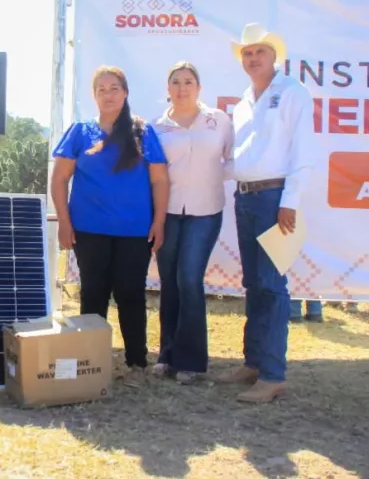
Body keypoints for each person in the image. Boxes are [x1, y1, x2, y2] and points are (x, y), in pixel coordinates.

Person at [51, 65, 170, 387]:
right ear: (94, 95)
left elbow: (159, 180)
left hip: (135, 230)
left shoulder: (142, 133)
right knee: (93, 294)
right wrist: (63, 221)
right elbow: (60, 178)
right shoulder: (79, 131)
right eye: (101, 89)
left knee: (130, 294)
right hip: (89, 230)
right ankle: (92, 361)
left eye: (114, 88)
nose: (108, 94)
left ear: (126, 92)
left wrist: (159, 222)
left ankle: (136, 363)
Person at [217, 23, 314, 403]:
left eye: (259, 52)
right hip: (246, 197)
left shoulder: (292, 92)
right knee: (254, 284)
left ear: (275, 56)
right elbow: (240, 157)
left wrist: (290, 200)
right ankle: (254, 362)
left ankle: (273, 375)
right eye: (247, 53)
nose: (253, 58)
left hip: (275, 199)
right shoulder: (243, 102)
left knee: (272, 286)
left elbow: (303, 151)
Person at [151, 62, 233, 384]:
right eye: (176, 82)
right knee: (168, 281)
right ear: (167, 89)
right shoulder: (156, 127)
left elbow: (233, 159)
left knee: (188, 279)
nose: (182, 88)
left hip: (206, 211)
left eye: (188, 82)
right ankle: (166, 354)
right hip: (166, 212)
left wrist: (212, 178)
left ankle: (192, 361)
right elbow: (152, 172)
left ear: (199, 88)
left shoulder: (219, 121)